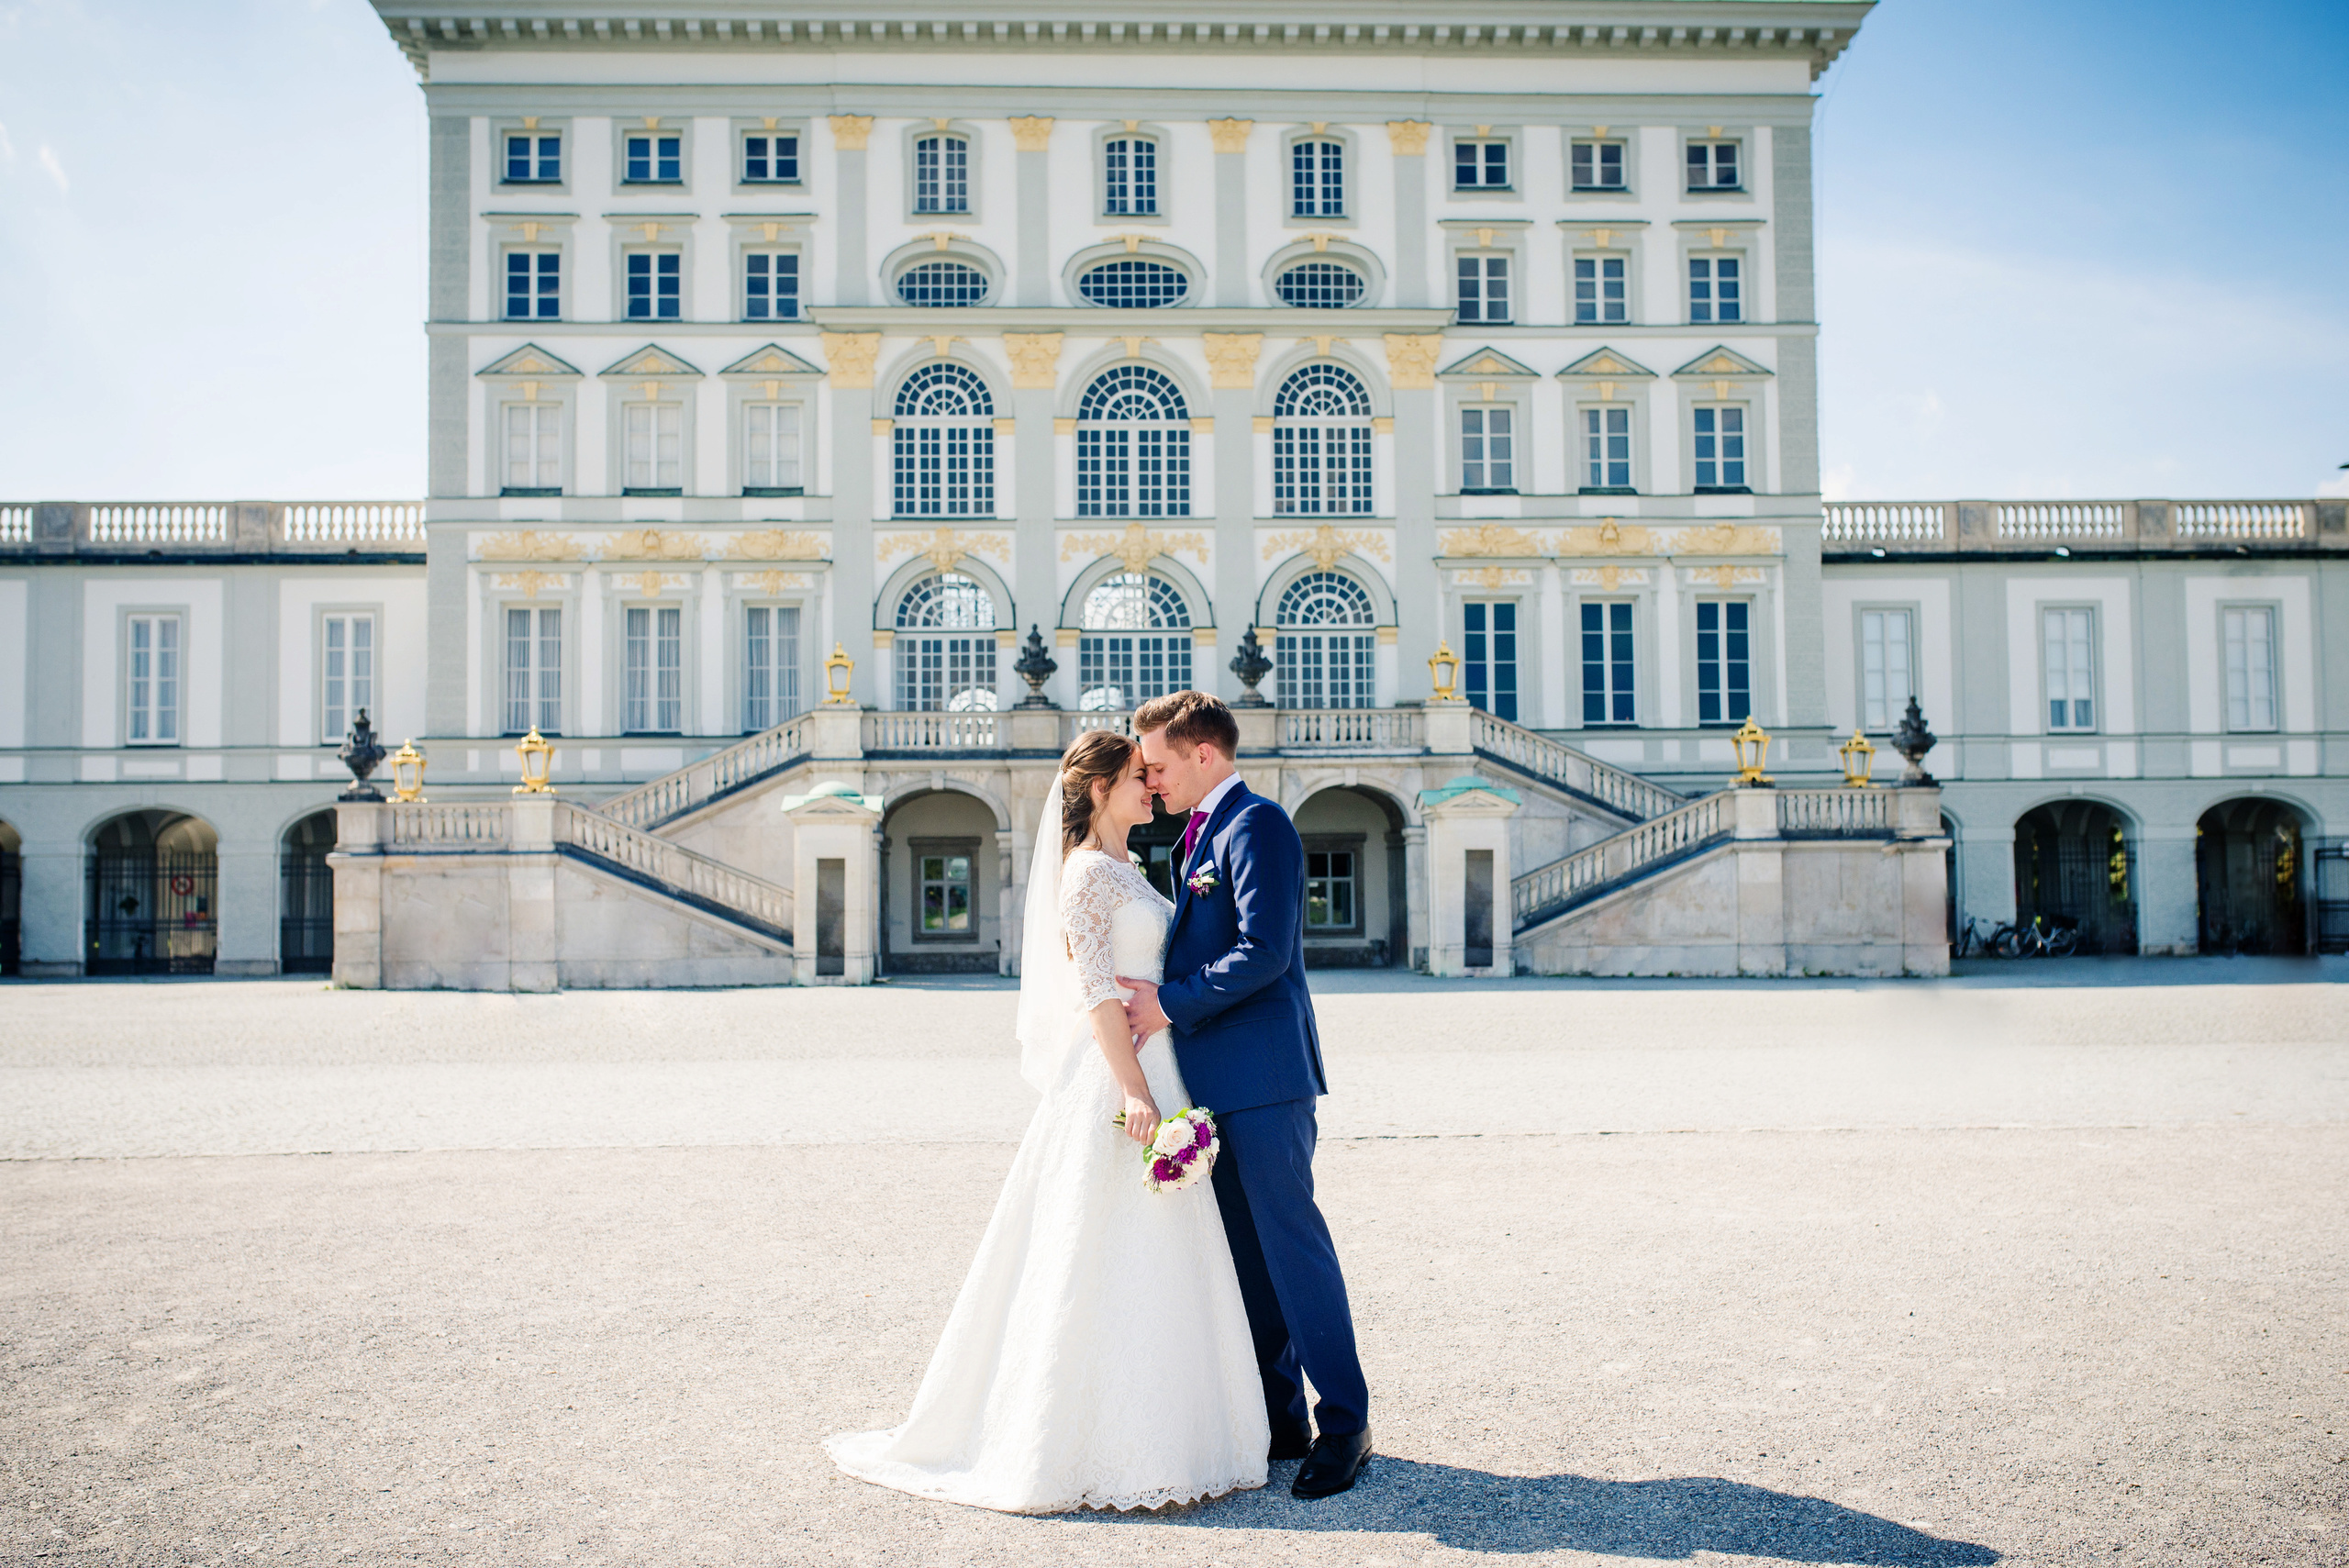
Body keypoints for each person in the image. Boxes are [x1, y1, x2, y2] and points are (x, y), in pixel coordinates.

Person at [825, 729, 1268, 1513]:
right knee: (1093, 1246)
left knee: (1164, 1250)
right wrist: (1135, 1092)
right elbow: (1097, 992)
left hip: (1159, 1058)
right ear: (1100, 789)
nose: (1151, 787)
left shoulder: (1131, 865)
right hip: (1114, 1073)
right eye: (1138, 777)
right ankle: (1081, 1435)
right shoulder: (1088, 874)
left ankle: (1180, 1427)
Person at [1119, 690, 1374, 1500]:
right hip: (1212, 1084)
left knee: (1293, 1248)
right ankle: (1280, 1417)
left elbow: (1265, 951)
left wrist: (1168, 1003)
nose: (1149, 781)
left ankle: (1346, 1424)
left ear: (1204, 753)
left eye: (1156, 765)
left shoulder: (1257, 823)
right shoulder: (1197, 831)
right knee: (1248, 1260)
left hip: (1264, 1078)